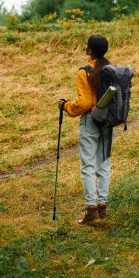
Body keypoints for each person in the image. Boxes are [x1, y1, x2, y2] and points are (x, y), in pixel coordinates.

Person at [58, 35, 111, 225]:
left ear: (89, 51)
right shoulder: (110, 69)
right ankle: (102, 206)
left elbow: (84, 103)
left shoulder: (85, 72)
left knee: (88, 165)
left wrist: (65, 106)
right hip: (107, 121)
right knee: (103, 164)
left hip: (90, 120)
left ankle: (91, 210)